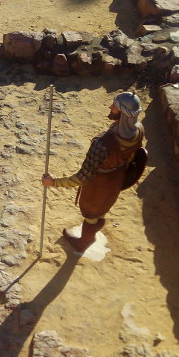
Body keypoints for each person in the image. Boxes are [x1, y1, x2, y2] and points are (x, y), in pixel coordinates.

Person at [41, 92, 145, 253]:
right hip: (117, 179)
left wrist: (54, 182)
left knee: (91, 212)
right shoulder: (139, 130)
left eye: (115, 107)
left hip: (99, 184)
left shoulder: (102, 144)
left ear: (123, 114)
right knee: (102, 210)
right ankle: (92, 234)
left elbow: (82, 177)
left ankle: (83, 242)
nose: (110, 107)